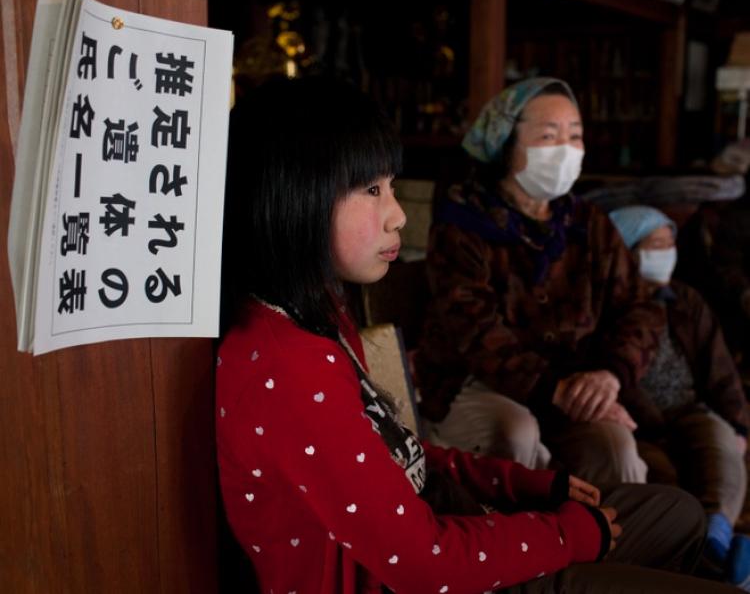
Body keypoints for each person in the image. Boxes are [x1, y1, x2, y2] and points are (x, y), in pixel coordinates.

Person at [216, 75, 740, 593]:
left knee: (678, 509)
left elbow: (403, 458)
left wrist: (534, 481)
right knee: (533, 439)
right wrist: (564, 528)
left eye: (575, 134)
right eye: (372, 190)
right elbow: (424, 561)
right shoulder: (283, 362)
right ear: (293, 196)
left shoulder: (319, 312)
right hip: (477, 466)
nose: (397, 214)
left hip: (470, 503)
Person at [414, 77, 661, 488]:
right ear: (506, 144)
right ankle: (513, 546)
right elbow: (472, 328)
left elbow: (641, 308)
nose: (566, 149)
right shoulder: (463, 224)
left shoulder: (590, 225)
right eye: (549, 136)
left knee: (615, 449)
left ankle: (613, 547)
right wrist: (554, 388)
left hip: (573, 383)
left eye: (575, 136)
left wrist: (608, 377)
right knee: (515, 432)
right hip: (478, 381)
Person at [609, 204, 750, 590]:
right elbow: (614, 374)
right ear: (626, 249)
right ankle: (688, 557)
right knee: (665, 479)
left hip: (689, 409)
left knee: (721, 448)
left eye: (670, 244)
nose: (666, 253)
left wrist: (737, 423)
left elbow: (720, 370)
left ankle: (716, 539)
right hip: (638, 422)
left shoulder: (686, 300)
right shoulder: (608, 306)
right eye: (654, 244)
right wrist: (654, 425)